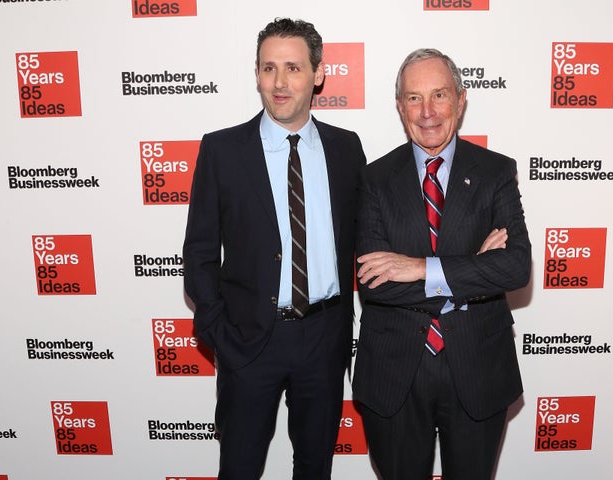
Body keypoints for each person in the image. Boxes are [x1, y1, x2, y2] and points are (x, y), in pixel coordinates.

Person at [182, 18, 366, 480]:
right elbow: (199, 252)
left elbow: (373, 232)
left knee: (314, 468)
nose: (280, 83)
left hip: (325, 338)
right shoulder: (222, 150)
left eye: (293, 68)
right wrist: (219, 331)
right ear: (257, 74)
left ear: (318, 74)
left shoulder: (346, 149)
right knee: (239, 468)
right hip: (249, 341)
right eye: (269, 68)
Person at [352, 48, 531, 480]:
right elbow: (374, 284)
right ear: (399, 106)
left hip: (478, 366)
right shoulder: (374, 179)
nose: (428, 112)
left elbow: (516, 268)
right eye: (414, 98)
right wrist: (473, 267)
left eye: (439, 95)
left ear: (461, 100)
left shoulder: (496, 172)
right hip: (395, 370)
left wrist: (420, 267)